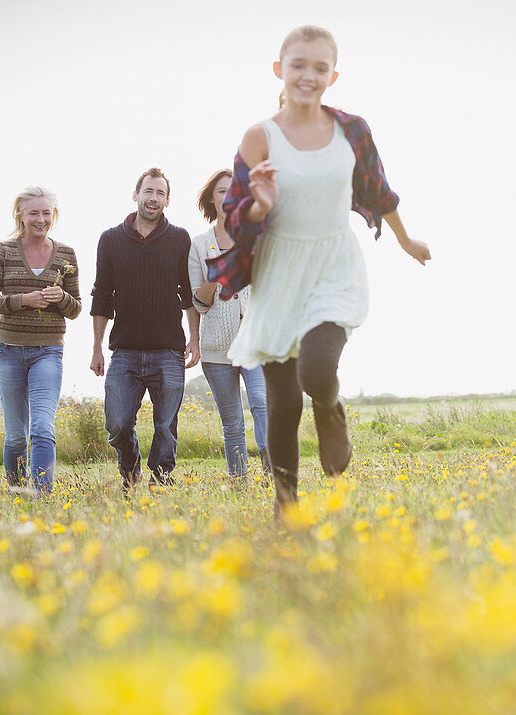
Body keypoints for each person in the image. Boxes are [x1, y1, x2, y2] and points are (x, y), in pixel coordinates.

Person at [207, 25, 431, 518]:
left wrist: (404, 239)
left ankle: (329, 410)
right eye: (298, 65)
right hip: (279, 271)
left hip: (333, 265)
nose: (309, 76)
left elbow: (378, 190)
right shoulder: (259, 136)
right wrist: (261, 206)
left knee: (316, 369)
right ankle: (287, 507)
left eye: (319, 67)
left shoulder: (352, 130)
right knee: (283, 401)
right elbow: (236, 212)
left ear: (333, 75)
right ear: (279, 71)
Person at [90, 168, 201, 490]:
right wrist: (97, 346)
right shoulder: (111, 240)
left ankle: (161, 480)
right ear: (135, 194)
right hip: (124, 351)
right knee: (117, 422)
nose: (153, 199)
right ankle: (130, 465)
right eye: (148, 191)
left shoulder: (179, 238)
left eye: (160, 194)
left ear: (167, 201)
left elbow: (189, 293)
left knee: (165, 425)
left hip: (168, 349)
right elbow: (101, 295)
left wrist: (193, 337)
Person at [0, 186, 81, 495]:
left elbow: (75, 309)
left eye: (46, 213)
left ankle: (40, 495)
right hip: (8, 350)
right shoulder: (3, 251)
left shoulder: (66, 254)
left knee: (41, 427)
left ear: (54, 215)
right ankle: (16, 491)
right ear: (20, 216)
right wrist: (23, 299)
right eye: (34, 213)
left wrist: (61, 297)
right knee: (15, 435)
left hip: (48, 352)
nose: (40, 219)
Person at [189, 169, 270, 479]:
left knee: (261, 402)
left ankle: (270, 465)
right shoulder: (199, 244)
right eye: (222, 191)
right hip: (216, 348)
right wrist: (215, 276)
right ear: (213, 198)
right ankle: (239, 480)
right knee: (233, 422)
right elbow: (199, 303)